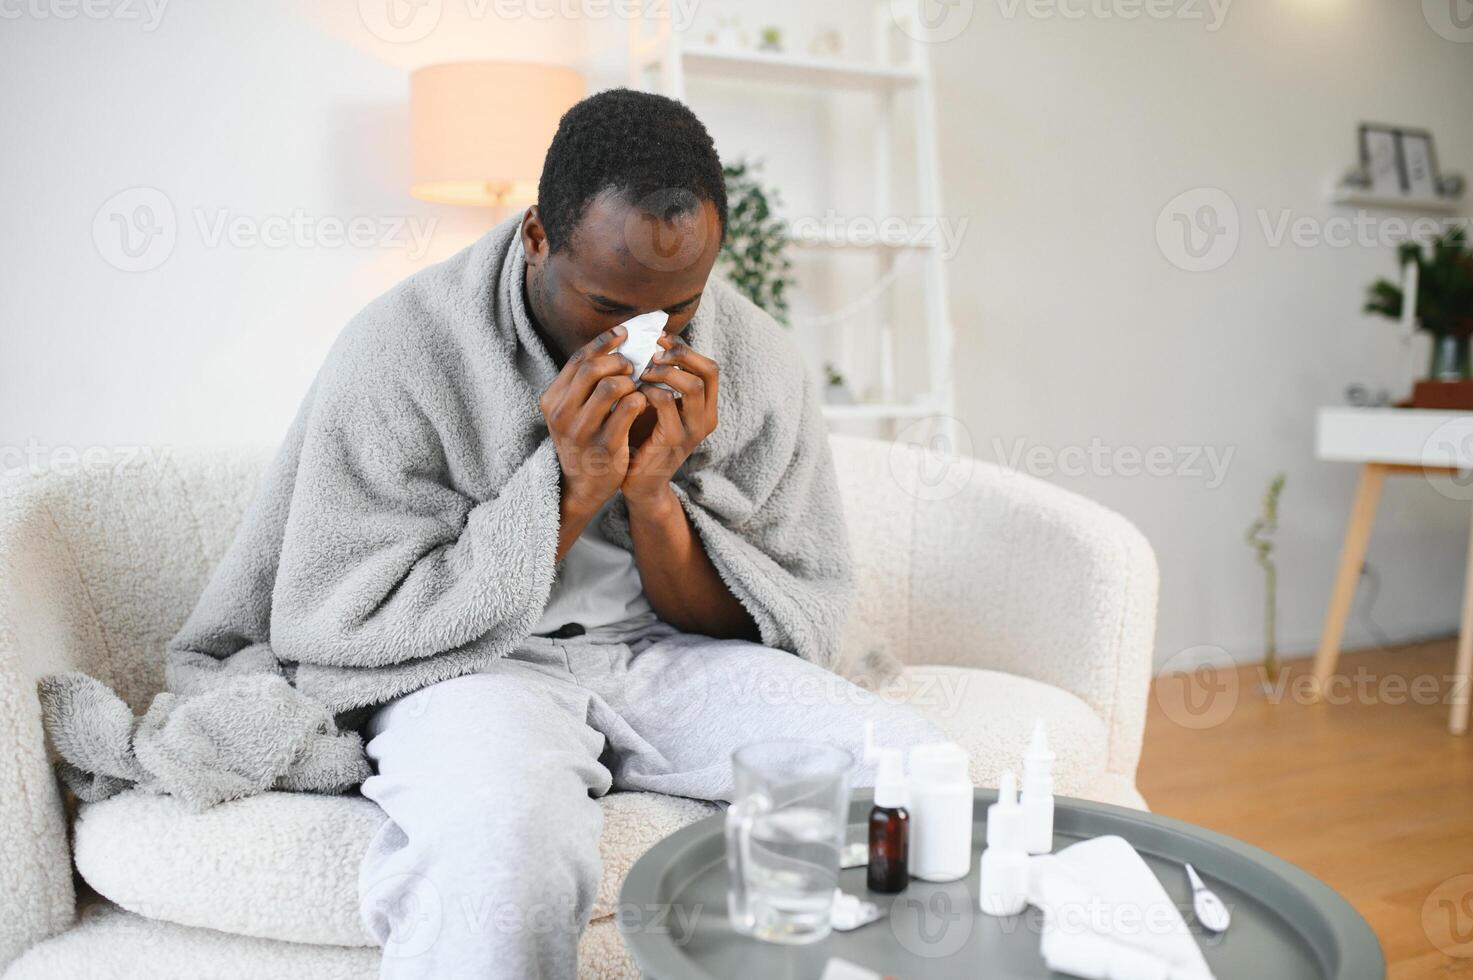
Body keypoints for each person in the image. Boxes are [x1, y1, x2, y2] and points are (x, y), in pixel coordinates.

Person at [174, 87, 945, 979]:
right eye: (610, 307)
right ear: (537, 235)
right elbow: (348, 608)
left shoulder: (755, 356)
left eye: (680, 307)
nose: (646, 342)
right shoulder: (404, 346)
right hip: (464, 667)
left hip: (663, 655)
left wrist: (655, 495)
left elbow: (770, 611)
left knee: (912, 773)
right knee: (506, 853)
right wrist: (570, 486)